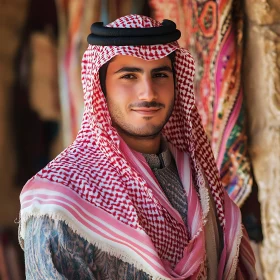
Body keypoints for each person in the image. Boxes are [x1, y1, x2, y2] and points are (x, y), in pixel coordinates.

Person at [19, 14, 256, 279]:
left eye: (160, 74)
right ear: (100, 86)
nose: (148, 92)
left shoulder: (201, 182)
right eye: (129, 75)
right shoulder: (59, 200)